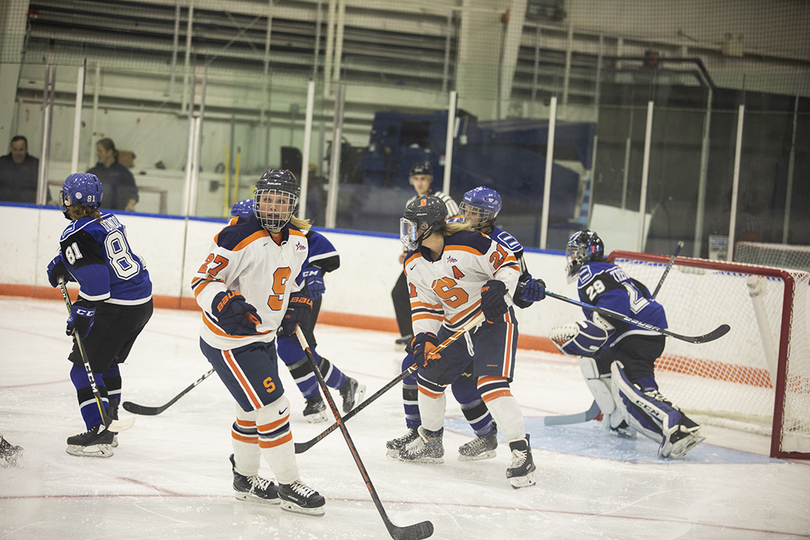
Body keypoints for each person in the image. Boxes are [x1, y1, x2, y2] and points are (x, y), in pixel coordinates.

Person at [193, 170, 325, 515]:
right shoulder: (236, 235)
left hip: (263, 337)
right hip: (230, 340)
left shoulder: (299, 239)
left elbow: (293, 284)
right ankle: (288, 483)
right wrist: (223, 302)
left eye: (281, 200)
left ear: (292, 203)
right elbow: (202, 281)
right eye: (267, 198)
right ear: (257, 198)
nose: (273, 205)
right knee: (275, 407)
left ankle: (245, 479)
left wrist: (297, 303)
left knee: (250, 411)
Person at [386, 186, 543, 462]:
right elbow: (426, 305)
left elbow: (508, 264)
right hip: (456, 325)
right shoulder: (412, 262)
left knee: (490, 385)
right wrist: (425, 338)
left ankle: (520, 451)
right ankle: (430, 442)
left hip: (491, 321)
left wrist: (501, 287)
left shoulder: (470, 242)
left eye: (413, 226)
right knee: (427, 376)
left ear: (428, 226)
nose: (407, 231)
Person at [521, 230, 704, 459]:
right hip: (648, 331)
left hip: (633, 334)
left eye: (575, 251)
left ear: (587, 252)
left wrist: (598, 327)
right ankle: (620, 421)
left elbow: (615, 303)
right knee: (640, 382)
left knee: (629, 388)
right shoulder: (612, 269)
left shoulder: (589, 272)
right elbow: (643, 294)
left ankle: (676, 427)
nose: (572, 257)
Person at [45, 173, 153, 458]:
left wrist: (81, 314)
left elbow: (96, 285)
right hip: (140, 304)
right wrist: (64, 262)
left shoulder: (75, 234)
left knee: (82, 369)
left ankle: (99, 433)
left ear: (68, 200)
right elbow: (99, 256)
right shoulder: (108, 219)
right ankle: (111, 423)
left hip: (117, 309)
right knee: (106, 363)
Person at [230, 199, 366, 422]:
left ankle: (315, 399)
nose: (238, 226)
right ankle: (344, 384)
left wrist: (314, 269)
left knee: (289, 347)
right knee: (296, 350)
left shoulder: (291, 233)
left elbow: (329, 256)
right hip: (272, 299)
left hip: (300, 297)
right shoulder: (242, 241)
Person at [391, 161, 459, 349]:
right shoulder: (411, 202)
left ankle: (443, 332)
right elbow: (410, 232)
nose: (420, 183)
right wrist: (406, 253)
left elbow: (456, 227)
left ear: (430, 180)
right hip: (420, 259)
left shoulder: (444, 199)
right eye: (416, 179)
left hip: (441, 258)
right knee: (399, 293)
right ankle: (409, 335)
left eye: (423, 179)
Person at [87, 138, 139, 212]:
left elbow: (132, 192)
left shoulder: (123, 173)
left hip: (117, 215)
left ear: (109, 152)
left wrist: (130, 204)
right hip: (95, 214)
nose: (97, 154)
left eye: (100, 151)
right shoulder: (92, 173)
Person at [0, 135, 54, 204]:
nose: (18, 153)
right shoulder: (2, 163)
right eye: (15, 149)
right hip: (4, 206)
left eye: (21, 150)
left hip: (29, 207)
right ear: (11, 149)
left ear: (26, 149)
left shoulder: (35, 164)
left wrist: (48, 200)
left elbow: (42, 186)